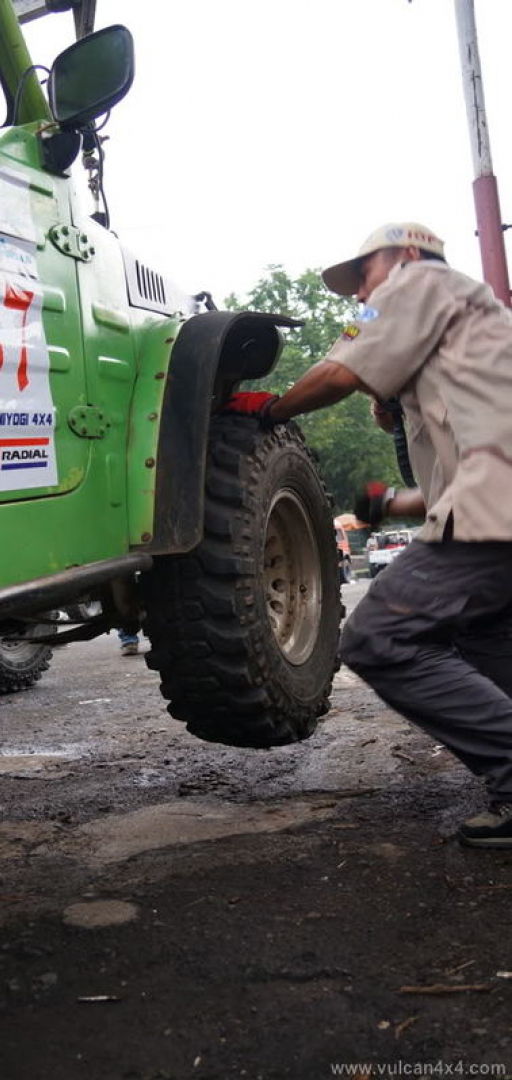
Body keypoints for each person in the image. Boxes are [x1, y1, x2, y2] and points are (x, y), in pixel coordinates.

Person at [225, 222, 512, 848]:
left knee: (382, 639)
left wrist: (270, 410)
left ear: (406, 255)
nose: (360, 296)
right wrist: (393, 504)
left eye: (365, 276)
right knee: (486, 637)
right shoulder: (473, 324)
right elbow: (472, 460)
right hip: (497, 507)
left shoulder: (419, 280)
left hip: (496, 510)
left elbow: (338, 370)